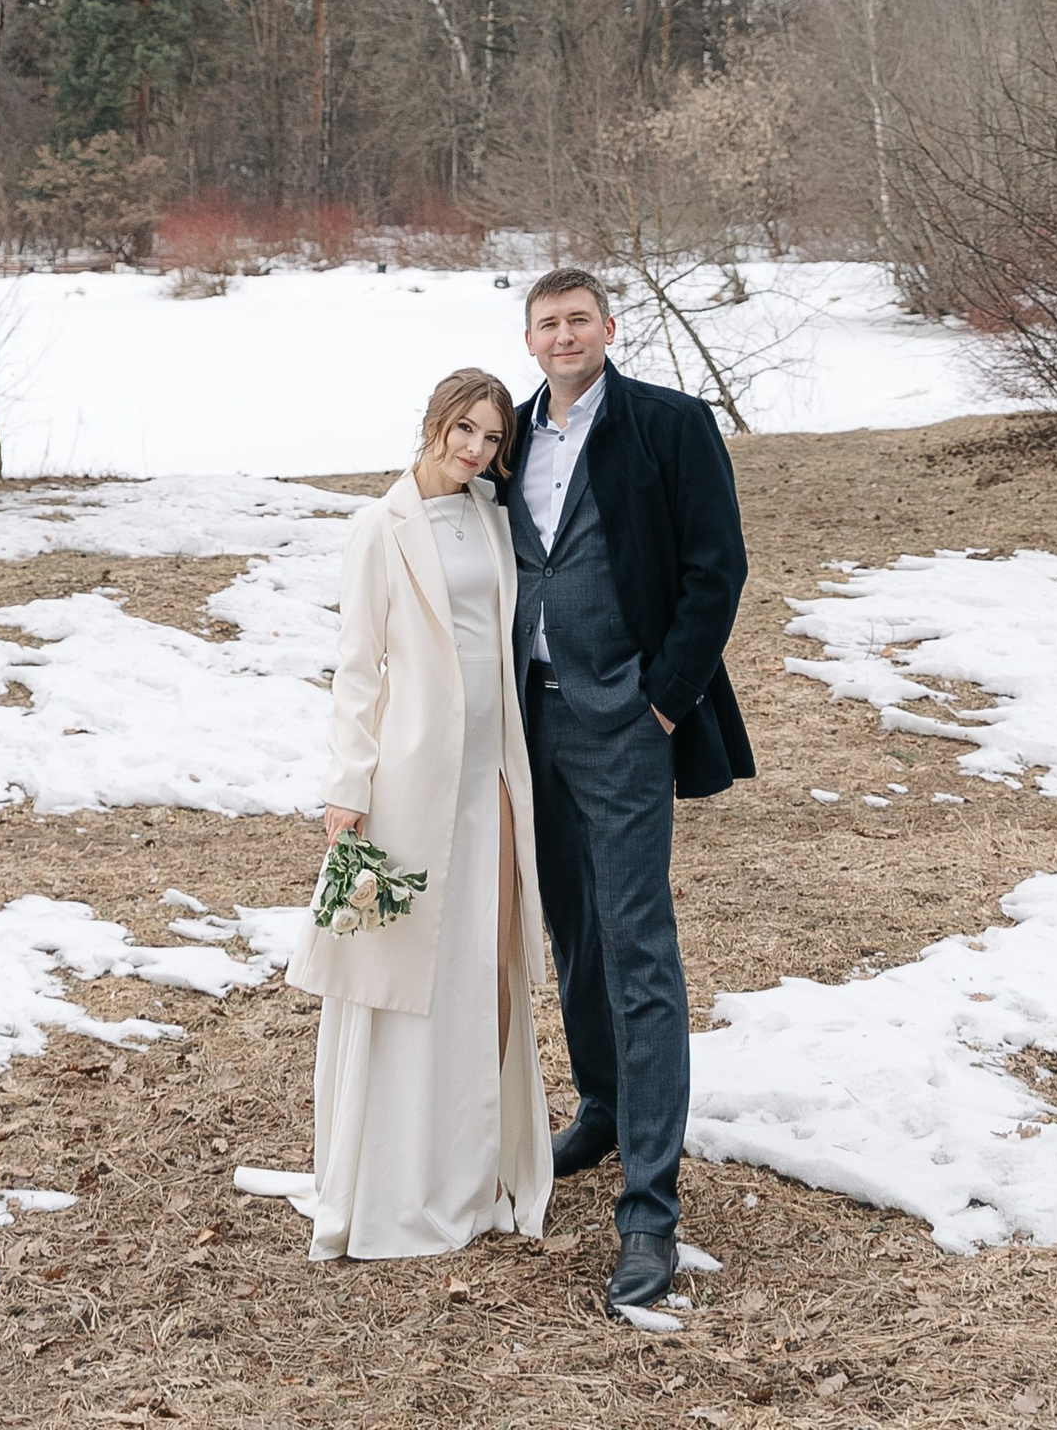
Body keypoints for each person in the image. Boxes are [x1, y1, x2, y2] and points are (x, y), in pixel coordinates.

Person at [504, 266, 754, 1323]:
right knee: (573, 933)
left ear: (609, 328)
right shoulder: (505, 436)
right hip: (529, 719)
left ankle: (649, 1210)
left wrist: (662, 703)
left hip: (624, 720)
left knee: (639, 946)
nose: (563, 336)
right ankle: (601, 1107)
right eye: (545, 323)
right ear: (529, 339)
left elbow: (717, 567)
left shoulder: (667, 423)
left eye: (578, 320)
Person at [288, 367, 553, 1261]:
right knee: (402, 972)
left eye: (493, 439)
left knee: (485, 958)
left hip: (494, 773)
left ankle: (473, 1165)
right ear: (435, 423)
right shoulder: (379, 527)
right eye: (464, 430)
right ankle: (392, 1179)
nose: (476, 450)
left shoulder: (494, 516)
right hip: (408, 776)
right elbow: (359, 668)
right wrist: (347, 788)